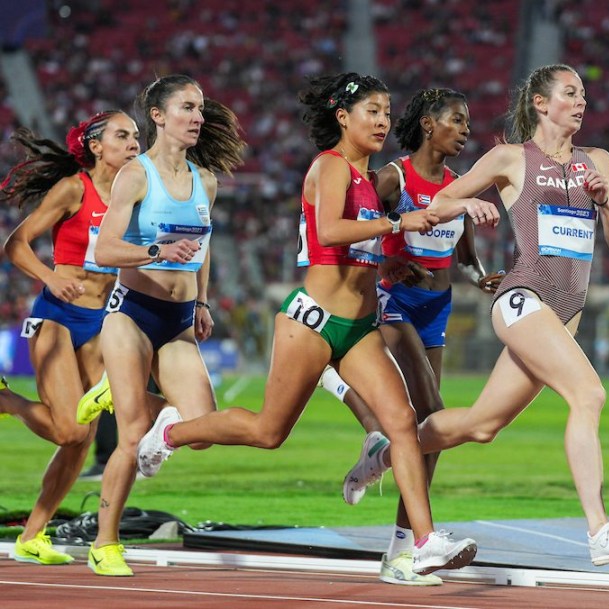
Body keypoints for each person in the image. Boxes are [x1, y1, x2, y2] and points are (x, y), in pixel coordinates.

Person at [136, 73, 478, 578]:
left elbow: (354, 249)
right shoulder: (331, 166)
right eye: (372, 112)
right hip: (312, 323)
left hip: (360, 327)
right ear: (343, 117)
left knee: (403, 422)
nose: (383, 121)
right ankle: (173, 431)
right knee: (267, 431)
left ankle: (423, 542)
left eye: (386, 112)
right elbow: (329, 232)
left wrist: (387, 264)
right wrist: (396, 223)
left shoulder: (368, 177)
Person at [347, 64, 609, 567]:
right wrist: (469, 204)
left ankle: (380, 456)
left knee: (480, 424)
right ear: (540, 102)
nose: (582, 102)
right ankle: (600, 531)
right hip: (522, 299)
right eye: (571, 93)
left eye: (584, 95)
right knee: (589, 393)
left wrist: (605, 205)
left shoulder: (598, 161)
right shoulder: (512, 158)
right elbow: (442, 198)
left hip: (564, 315)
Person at [318, 87, 501, 586]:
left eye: (467, 123)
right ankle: (416, 544)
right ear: (427, 124)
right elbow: (356, 231)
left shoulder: (460, 185)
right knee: (434, 412)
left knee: (431, 435)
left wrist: (480, 276)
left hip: (437, 307)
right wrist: (390, 261)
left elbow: (463, 253)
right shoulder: (392, 177)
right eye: (457, 121)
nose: (465, 130)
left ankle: (399, 545)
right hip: (392, 301)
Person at [82, 74, 245, 576]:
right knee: (132, 433)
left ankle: (129, 396)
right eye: (187, 107)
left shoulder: (206, 180)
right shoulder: (136, 174)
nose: (198, 116)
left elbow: (205, 244)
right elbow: (104, 249)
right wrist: (155, 249)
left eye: (200, 108)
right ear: (158, 115)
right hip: (131, 314)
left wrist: (202, 302)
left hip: (177, 321)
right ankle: (104, 544)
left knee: (199, 430)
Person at [0, 112, 141, 565]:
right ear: (96, 146)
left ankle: (33, 536)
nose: (134, 143)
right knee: (68, 428)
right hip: (56, 316)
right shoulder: (73, 189)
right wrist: (48, 277)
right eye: (123, 135)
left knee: (82, 438)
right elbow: (16, 243)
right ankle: (5, 401)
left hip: (102, 321)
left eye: (137, 136)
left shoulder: (134, 193)